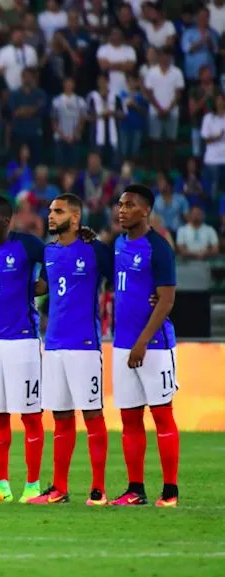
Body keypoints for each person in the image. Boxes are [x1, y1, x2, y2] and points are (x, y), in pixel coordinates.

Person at [29, 194, 113, 505]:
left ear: (75, 218)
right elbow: (42, 286)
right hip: (53, 345)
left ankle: (98, 489)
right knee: (62, 417)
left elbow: (123, 277)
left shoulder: (94, 250)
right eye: (50, 210)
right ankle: (59, 489)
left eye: (59, 211)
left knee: (92, 414)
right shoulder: (48, 251)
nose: (51, 215)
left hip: (85, 345)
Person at [0, 195, 47, 504]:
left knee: (30, 415)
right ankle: (0, 484)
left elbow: (56, 261)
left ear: (6, 221)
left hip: (23, 341)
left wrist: (38, 286)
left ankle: (33, 485)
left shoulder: (27, 245)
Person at [110, 184, 179, 508]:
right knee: (129, 419)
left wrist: (142, 343)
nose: (122, 209)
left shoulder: (159, 248)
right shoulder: (117, 244)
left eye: (129, 205)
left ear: (146, 210)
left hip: (154, 347)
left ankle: (170, 492)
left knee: (162, 415)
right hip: (122, 345)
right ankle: (135, 489)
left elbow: (166, 300)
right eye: (120, 204)